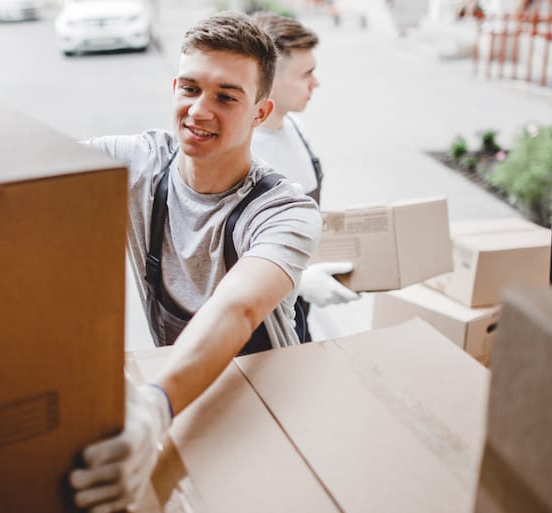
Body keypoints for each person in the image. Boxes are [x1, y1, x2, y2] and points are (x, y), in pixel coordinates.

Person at [68, 12, 321, 513]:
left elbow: (237, 310)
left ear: (259, 111)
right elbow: (28, 174)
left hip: (264, 404)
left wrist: (153, 407)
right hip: (184, 391)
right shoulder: (136, 163)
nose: (199, 111)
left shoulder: (284, 210)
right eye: (189, 88)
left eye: (226, 97)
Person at [250, 14, 359, 328]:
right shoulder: (244, 154)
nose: (316, 83)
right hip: (263, 322)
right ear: (269, 77)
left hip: (299, 313)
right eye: (306, 74)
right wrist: (299, 282)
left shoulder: (297, 127)